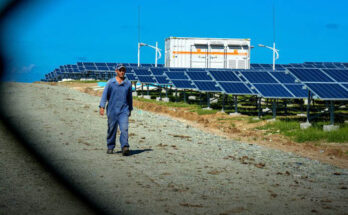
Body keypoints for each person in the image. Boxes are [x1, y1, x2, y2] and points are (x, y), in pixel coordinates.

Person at [99, 64, 133, 156]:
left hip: (124, 110)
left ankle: (125, 147)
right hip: (112, 110)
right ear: (116, 71)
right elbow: (104, 95)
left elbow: (130, 98)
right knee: (112, 129)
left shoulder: (128, 83)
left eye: (123, 70)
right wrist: (102, 106)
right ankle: (110, 146)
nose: (122, 72)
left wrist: (130, 108)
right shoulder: (111, 82)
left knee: (124, 129)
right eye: (120, 70)